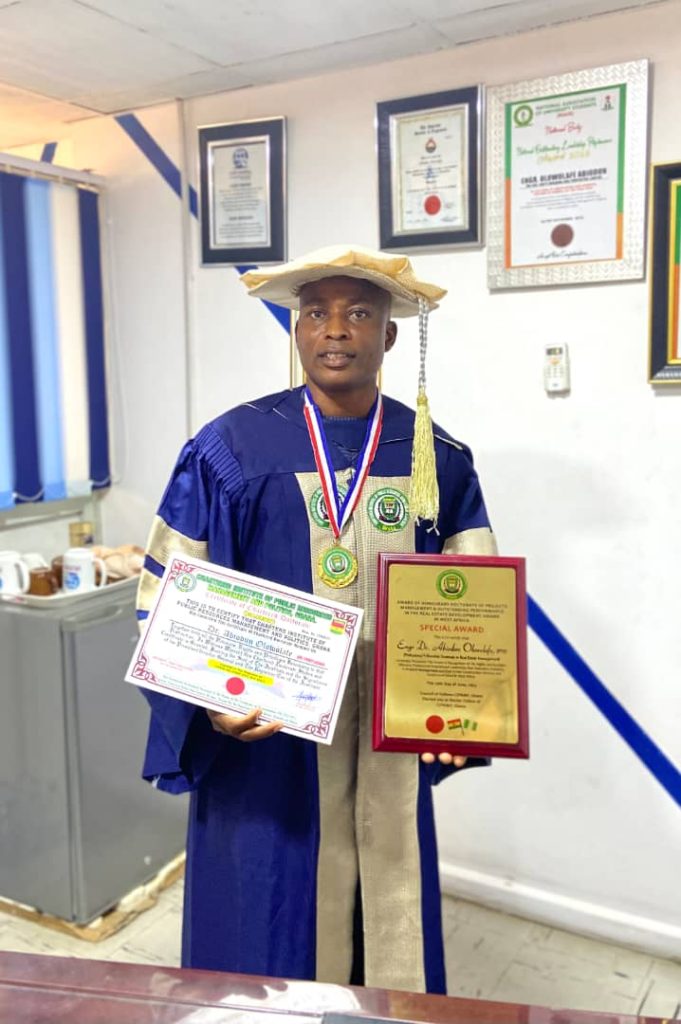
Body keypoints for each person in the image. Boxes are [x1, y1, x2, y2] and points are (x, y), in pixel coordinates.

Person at [136, 245, 497, 994]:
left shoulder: (436, 457)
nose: (335, 329)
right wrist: (208, 696)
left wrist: (463, 713)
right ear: (297, 331)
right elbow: (166, 594)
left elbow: (473, 602)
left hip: (387, 741)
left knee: (386, 915)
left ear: (388, 335)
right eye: (315, 313)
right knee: (264, 923)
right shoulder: (230, 449)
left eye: (358, 312)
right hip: (268, 744)